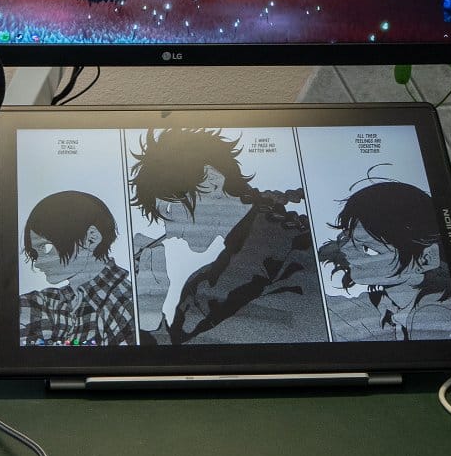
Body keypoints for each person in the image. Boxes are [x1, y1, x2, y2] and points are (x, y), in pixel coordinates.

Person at [128, 127, 324, 345]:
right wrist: (150, 310)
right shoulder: (210, 276)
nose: (170, 231)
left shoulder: (297, 252)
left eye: (169, 211)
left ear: (211, 180)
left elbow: (209, 356)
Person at [318, 179, 451, 342]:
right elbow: (326, 310)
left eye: (369, 249)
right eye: (346, 238)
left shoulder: (435, 314)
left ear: (426, 259)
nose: (344, 251)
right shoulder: (385, 303)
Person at [18, 190, 136, 347]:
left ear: (91, 238)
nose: (38, 262)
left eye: (46, 247)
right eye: (34, 252)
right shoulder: (43, 303)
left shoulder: (125, 304)